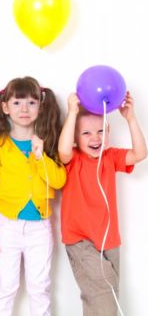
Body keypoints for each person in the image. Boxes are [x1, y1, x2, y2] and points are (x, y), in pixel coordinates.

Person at [0, 76, 66, 316]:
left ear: (40, 107)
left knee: (39, 287)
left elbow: (59, 181)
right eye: (17, 103)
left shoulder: (48, 144)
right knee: (6, 286)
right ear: (5, 107)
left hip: (40, 227)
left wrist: (41, 158)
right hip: (7, 224)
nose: (25, 109)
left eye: (31, 102)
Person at [58, 92, 147, 315]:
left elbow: (140, 153)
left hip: (109, 240)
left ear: (108, 132)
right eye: (86, 133)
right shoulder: (72, 159)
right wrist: (72, 114)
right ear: (76, 137)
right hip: (80, 240)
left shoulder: (110, 157)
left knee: (106, 298)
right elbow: (63, 150)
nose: (95, 138)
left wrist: (131, 118)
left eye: (100, 131)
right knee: (103, 297)